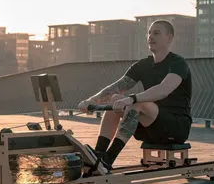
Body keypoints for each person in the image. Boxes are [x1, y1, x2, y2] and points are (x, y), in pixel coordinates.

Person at [78, 19, 192, 171]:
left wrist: (131, 98)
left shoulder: (178, 63)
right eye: (149, 33)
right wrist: (90, 100)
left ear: (169, 38)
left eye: (157, 33)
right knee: (115, 100)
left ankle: (109, 158)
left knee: (135, 103)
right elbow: (117, 87)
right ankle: (99, 153)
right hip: (149, 127)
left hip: (175, 127)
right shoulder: (143, 65)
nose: (151, 36)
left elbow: (162, 90)